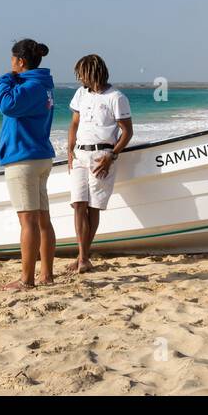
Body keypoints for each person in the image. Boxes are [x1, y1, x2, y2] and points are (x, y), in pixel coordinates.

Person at [0, 38, 56, 291]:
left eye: (12, 60)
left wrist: (4, 79)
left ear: (20, 61)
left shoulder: (29, 87)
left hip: (24, 159)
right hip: (40, 156)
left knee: (28, 221)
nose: (10, 64)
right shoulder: (43, 85)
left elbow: (6, 105)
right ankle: (47, 275)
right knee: (43, 219)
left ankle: (27, 279)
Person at [66, 54, 132, 274]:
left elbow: (127, 131)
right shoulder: (80, 94)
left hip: (101, 155)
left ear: (92, 72)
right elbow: (74, 124)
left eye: (81, 74)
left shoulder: (116, 97)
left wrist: (111, 156)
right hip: (79, 155)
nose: (79, 79)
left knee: (93, 207)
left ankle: (83, 257)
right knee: (78, 204)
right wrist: (69, 151)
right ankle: (82, 256)